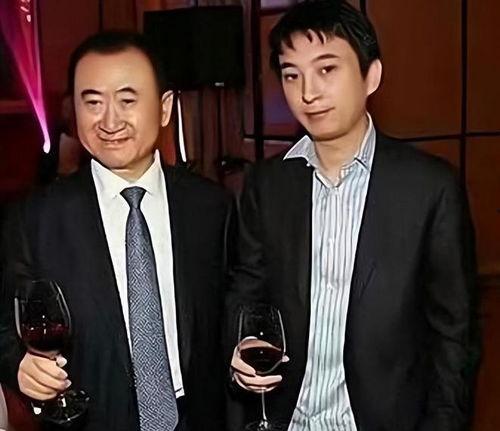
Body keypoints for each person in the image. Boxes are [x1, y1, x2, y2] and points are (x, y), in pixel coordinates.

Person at [226, 1, 479, 430]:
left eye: (327, 69)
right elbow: (247, 291)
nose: (308, 92)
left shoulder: (429, 188)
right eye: (291, 75)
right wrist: (243, 344)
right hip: (286, 417)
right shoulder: (266, 185)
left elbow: (455, 337)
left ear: (371, 76)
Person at [0, 31, 230, 430]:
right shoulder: (35, 217)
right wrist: (17, 364)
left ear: (164, 108)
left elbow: (236, 308)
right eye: (93, 102)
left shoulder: (212, 207)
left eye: (127, 100)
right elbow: (5, 322)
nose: (109, 121)